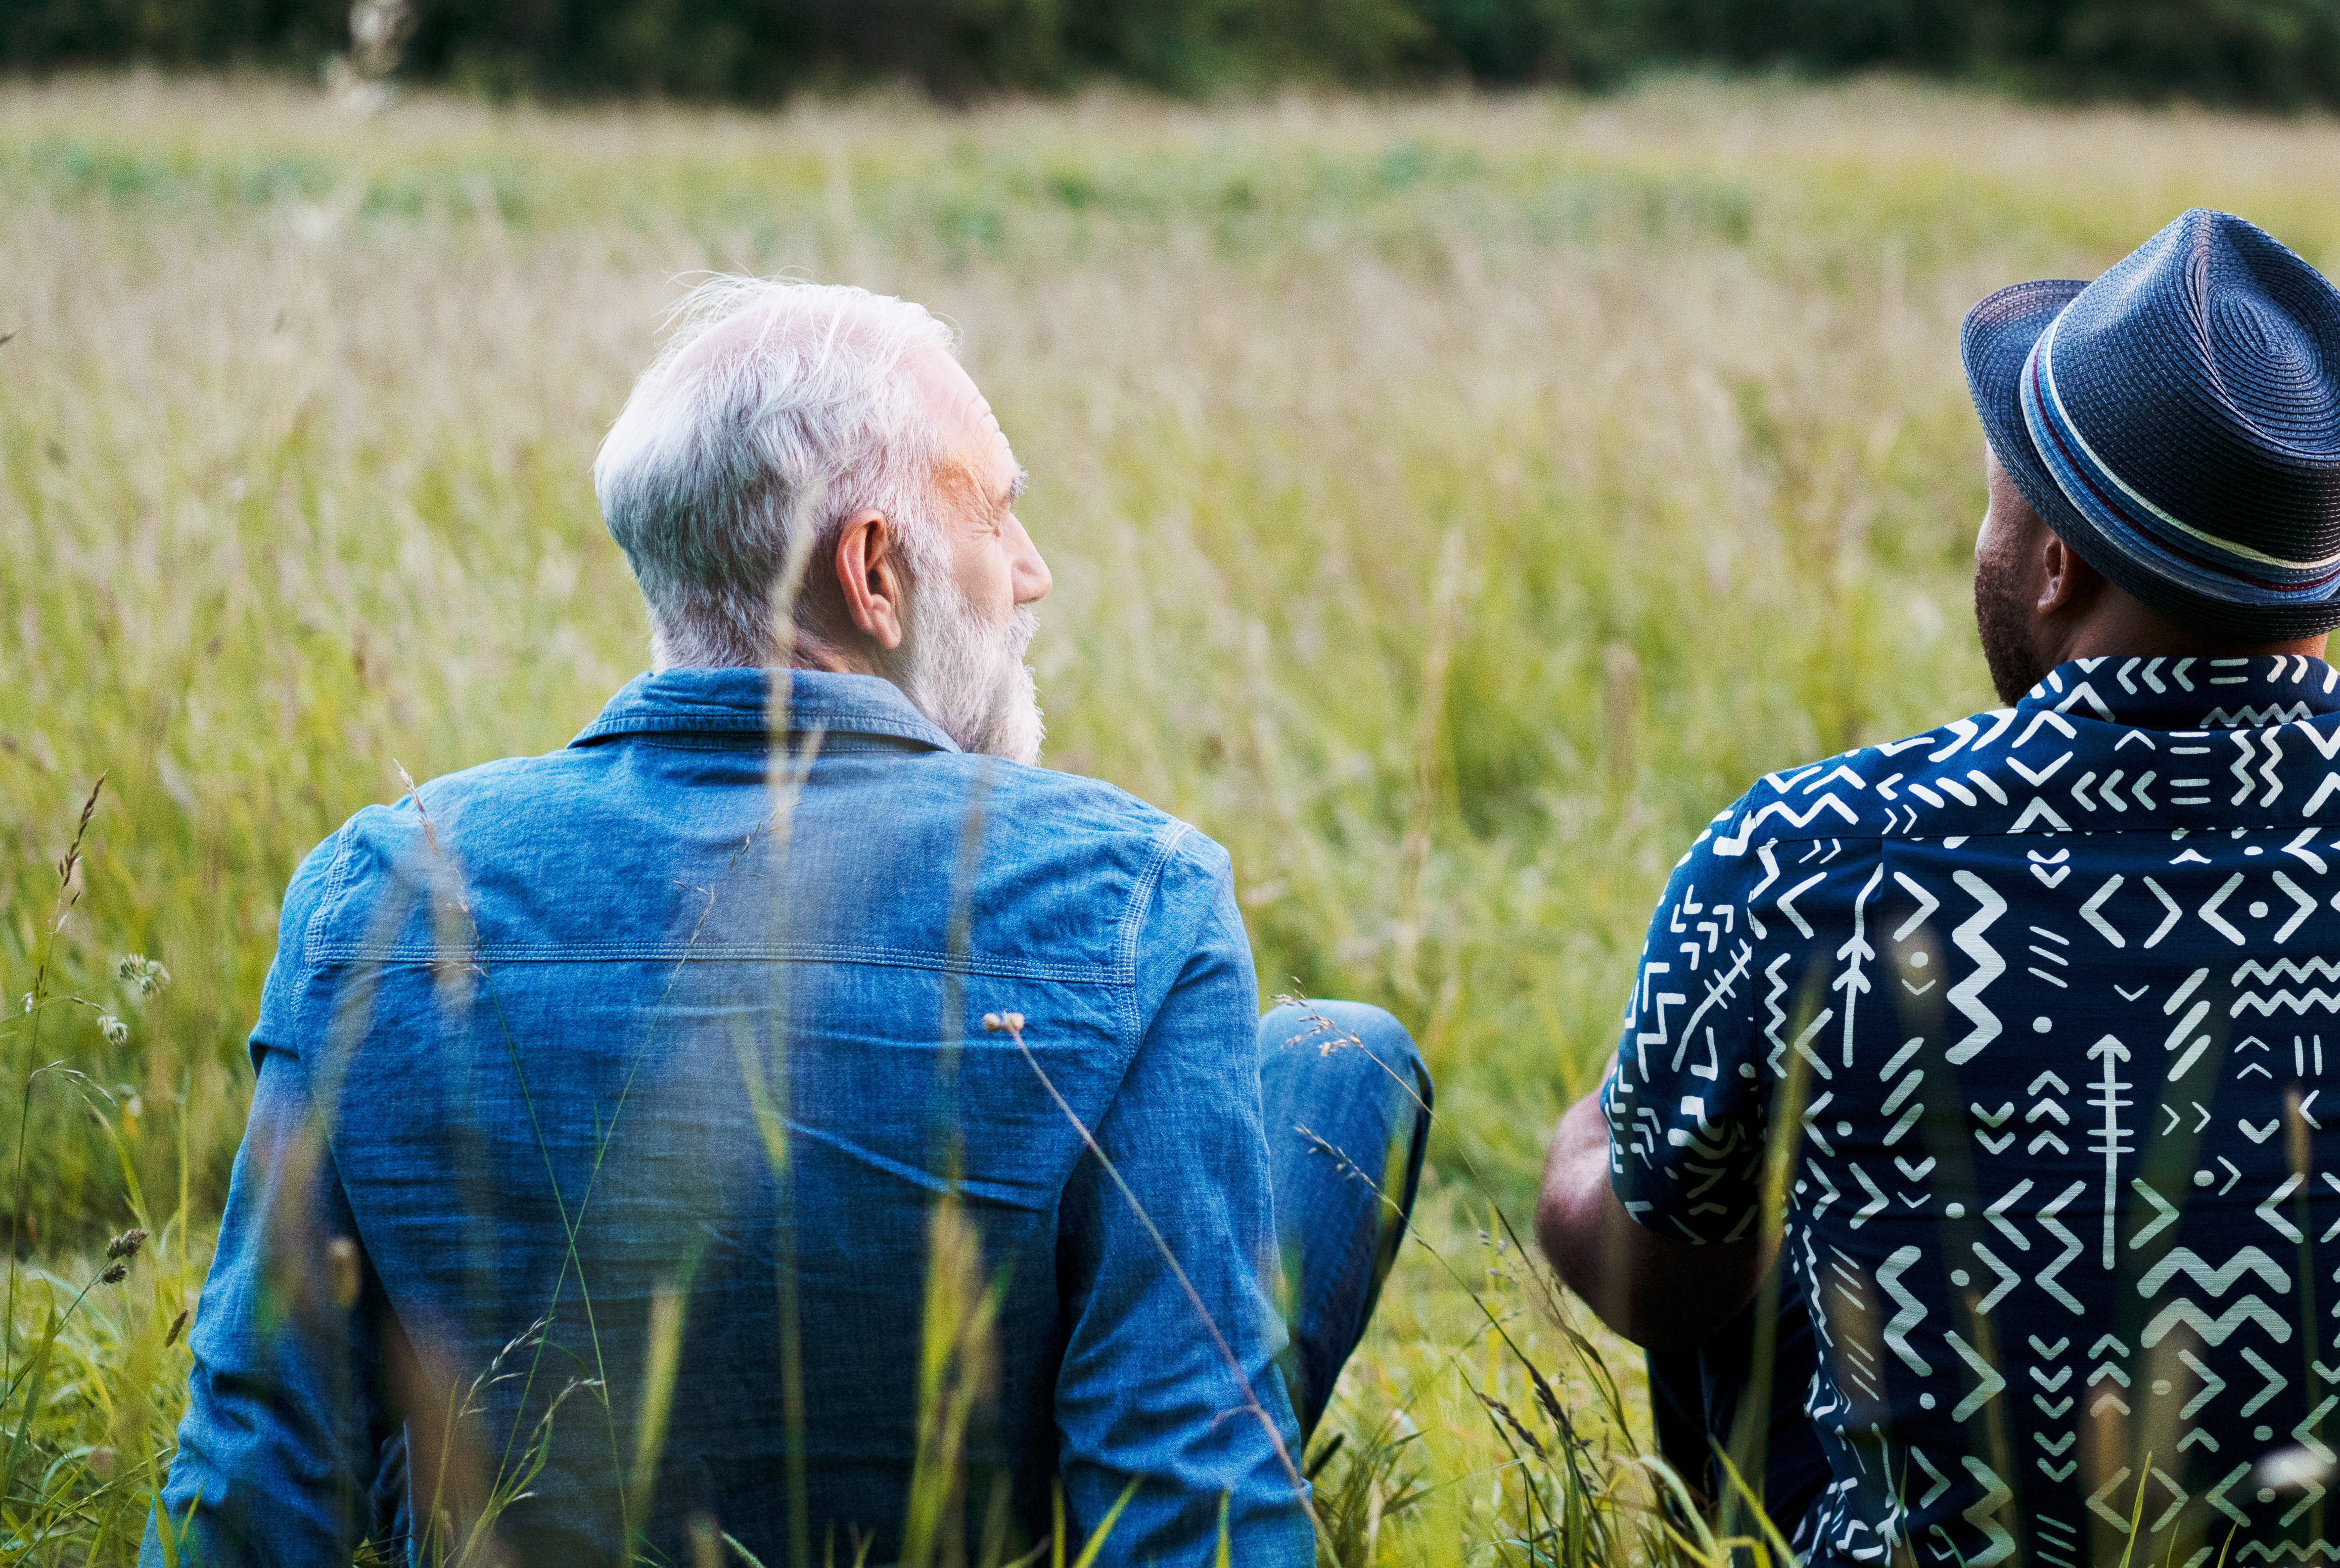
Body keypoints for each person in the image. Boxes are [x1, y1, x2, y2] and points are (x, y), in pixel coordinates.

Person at [1539, 210, 2340, 1567]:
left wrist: (1610, 1121)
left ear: (2056, 561)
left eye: (1998, 503)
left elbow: (1654, 1283)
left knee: (1742, 1184)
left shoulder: (1810, 859)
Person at [150, 278, 1428, 1568]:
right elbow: (1190, 1508)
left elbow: (256, 1477)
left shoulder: (377, 889)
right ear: (873, 572)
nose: (1032, 571)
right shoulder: (1139, 892)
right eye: (997, 513)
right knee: (1335, 1058)